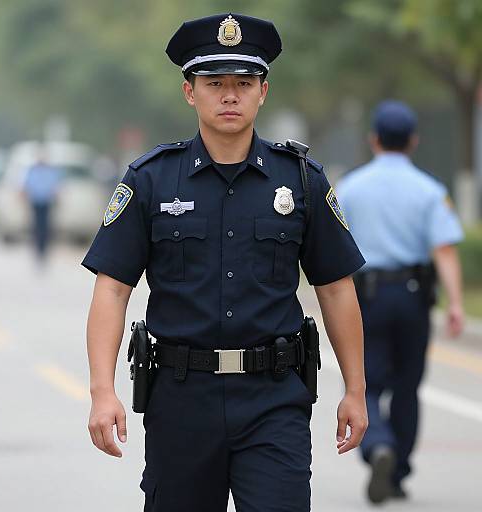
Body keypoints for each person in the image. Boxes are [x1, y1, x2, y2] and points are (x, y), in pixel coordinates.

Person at [82, 13, 368, 511]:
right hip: (180, 400)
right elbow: (112, 289)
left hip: (274, 399)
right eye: (215, 84)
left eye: (243, 83)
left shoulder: (301, 181)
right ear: (190, 92)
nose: (230, 95)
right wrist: (102, 391)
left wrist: (356, 390)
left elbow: (336, 288)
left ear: (264, 91)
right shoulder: (151, 180)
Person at [336, 100, 465, 505]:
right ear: (413, 141)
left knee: (367, 381)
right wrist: (456, 304)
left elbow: (332, 252)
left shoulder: (350, 188)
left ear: (373, 139)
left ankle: (378, 446)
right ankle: (399, 469)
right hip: (412, 296)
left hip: (367, 297)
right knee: (408, 387)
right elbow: (444, 251)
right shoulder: (430, 190)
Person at [22, 148, 61, 262]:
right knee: (36, 225)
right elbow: (27, 184)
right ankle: (37, 248)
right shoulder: (32, 170)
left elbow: (55, 185)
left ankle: (44, 248)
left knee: (45, 226)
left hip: (46, 201)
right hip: (35, 201)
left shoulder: (50, 171)